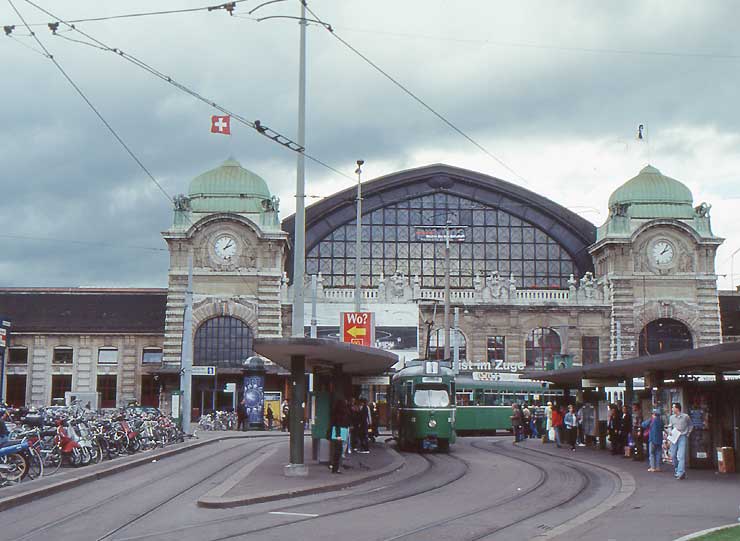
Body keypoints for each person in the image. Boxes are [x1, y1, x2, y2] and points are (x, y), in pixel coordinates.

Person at [668, 403, 693, 480]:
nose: (672, 409)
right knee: (673, 455)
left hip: (682, 436)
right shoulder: (671, 417)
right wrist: (669, 431)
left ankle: (680, 472)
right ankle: (677, 469)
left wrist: (688, 433)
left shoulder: (685, 417)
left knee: (681, 455)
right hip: (674, 436)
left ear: (677, 408)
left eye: (673, 407)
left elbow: (690, 425)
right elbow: (670, 426)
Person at [329, 399, 351, 473]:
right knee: (338, 450)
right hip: (340, 431)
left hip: (338, 431)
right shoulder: (341, 413)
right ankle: (335, 468)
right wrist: (338, 435)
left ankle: (335, 467)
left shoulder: (336, 412)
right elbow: (338, 424)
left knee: (337, 450)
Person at [642, 408, 664, 472]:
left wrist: (650, 419)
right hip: (659, 439)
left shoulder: (651, 420)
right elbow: (662, 428)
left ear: (653, 414)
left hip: (652, 439)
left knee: (652, 453)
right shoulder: (661, 421)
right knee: (658, 453)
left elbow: (643, 425)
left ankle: (652, 467)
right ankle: (658, 467)